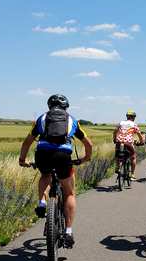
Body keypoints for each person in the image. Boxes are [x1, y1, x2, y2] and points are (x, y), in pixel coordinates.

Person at [19, 94, 92, 248]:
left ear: (49, 106)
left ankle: (42, 202)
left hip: (43, 154)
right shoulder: (72, 120)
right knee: (69, 193)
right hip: (63, 156)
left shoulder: (41, 119)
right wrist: (85, 158)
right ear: (66, 107)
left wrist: (22, 160)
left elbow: (27, 142)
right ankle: (68, 232)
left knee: (45, 175)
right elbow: (88, 143)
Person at [112, 109, 144, 177]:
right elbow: (139, 135)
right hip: (128, 143)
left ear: (127, 117)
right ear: (134, 117)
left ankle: (117, 167)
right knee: (133, 157)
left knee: (117, 155)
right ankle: (132, 174)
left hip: (119, 142)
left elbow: (115, 131)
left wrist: (114, 139)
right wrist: (142, 142)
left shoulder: (121, 123)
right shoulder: (134, 124)